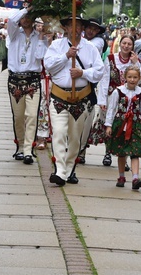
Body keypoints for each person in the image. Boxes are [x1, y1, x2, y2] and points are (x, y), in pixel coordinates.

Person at [44, 16, 105, 186]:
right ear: (65, 28)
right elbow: (48, 66)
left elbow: (99, 71)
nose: (75, 29)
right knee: (58, 133)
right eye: (71, 26)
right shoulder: (57, 45)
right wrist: (66, 56)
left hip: (81, 98)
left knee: (75, 137)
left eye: (78, 26)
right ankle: (60, 169)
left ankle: (69, 169)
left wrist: (83, 73)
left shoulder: (90, 48)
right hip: (59, 97)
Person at [89, 35, 141, 167]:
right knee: (109, 125)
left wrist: (136, 63)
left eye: (129, 44)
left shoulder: (134, 61)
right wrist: (102, 100)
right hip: (111, 96)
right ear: (120, 44)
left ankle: (122, 155)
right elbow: (104, 79)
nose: (126, 46)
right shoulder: (111, 59)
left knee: (124, 126)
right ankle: (107, 152)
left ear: (132, 46)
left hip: (127, 99)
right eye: (124, 43)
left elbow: (140, 80)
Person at [6, 7, 49, 164]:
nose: (25, 19)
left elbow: (40, 56)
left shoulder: (39, 36)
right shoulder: (14, 33)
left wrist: (43, 36)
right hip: (15, 80)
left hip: (32, 80)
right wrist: (28, 7)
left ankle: (28, 150)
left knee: (31, 115)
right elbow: (11, 20)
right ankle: (20, 145)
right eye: (23, 17)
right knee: (18, 117)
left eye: (28, 17)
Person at [104, 65, 141, 189]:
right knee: (121, 152)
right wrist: (108, 125)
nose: (132, 80)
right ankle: (121, 176)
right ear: (125, 77)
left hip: (135, 125)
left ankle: (135, 178)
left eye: (135, 77)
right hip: (121, 124)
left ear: (139, 78)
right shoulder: (118, 91)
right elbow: (112, 109)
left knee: (135, 152)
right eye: (129, 77)